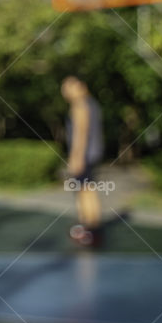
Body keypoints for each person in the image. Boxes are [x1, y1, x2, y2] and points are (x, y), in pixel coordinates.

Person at [61, 75, 104, 246]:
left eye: (69, 87)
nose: (66, 91)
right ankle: (94, 228)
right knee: (89, 189)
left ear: (80, 86)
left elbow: (81, 132)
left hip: (85, 154)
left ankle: (88, 228)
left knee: (84, 191)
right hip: (94, 153)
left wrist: (76, 157)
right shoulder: (92, 103)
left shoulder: (79, 105)